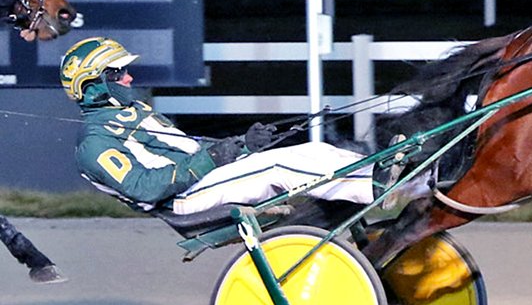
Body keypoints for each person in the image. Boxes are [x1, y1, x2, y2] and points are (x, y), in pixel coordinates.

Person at [61, 37, 399, 215]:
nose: (129, 77)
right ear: (93, 86)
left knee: (312, 149)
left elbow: (191, 149)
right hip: (184, 199)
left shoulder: (132, 110)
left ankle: (384, 174)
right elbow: (146, 188)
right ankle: (373, 186)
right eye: (118, 73)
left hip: (202, 181)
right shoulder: (94, 143)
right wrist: (214, 158)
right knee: (280, 166)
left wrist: (244, 145)